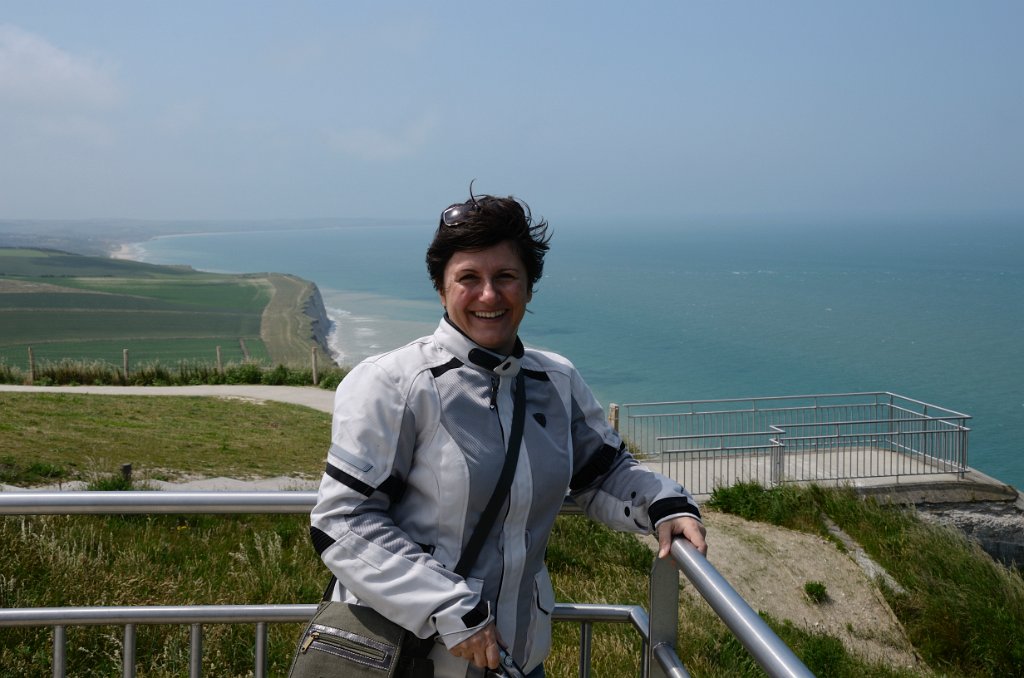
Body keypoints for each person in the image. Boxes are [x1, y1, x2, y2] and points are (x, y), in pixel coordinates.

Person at [310, 191, 707, 677]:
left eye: (505, 277)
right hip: (410, 661)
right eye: (468, 279)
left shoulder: (555, 380)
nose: (489, 296)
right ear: (441, 290)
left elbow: (605, 473)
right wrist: (449, 607)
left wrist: (665, 503)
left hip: (516, 659)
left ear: (529, 287)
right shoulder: (394, 383)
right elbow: (342, 521)